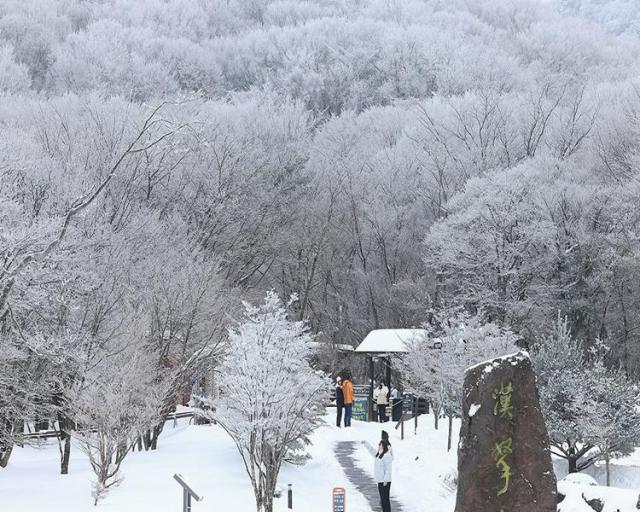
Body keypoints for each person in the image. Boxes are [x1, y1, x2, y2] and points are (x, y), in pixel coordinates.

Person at [363, 438, 393, 512]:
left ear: (383, 446)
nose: (378, 445)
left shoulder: (387, 456)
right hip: (380, 480)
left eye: (380, 444)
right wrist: (366, 443)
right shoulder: (378, 454)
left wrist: (386, 480)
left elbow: (388, 469)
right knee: (383, 500)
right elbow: (371, 450)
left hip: (385, 481)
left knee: (385, 499)